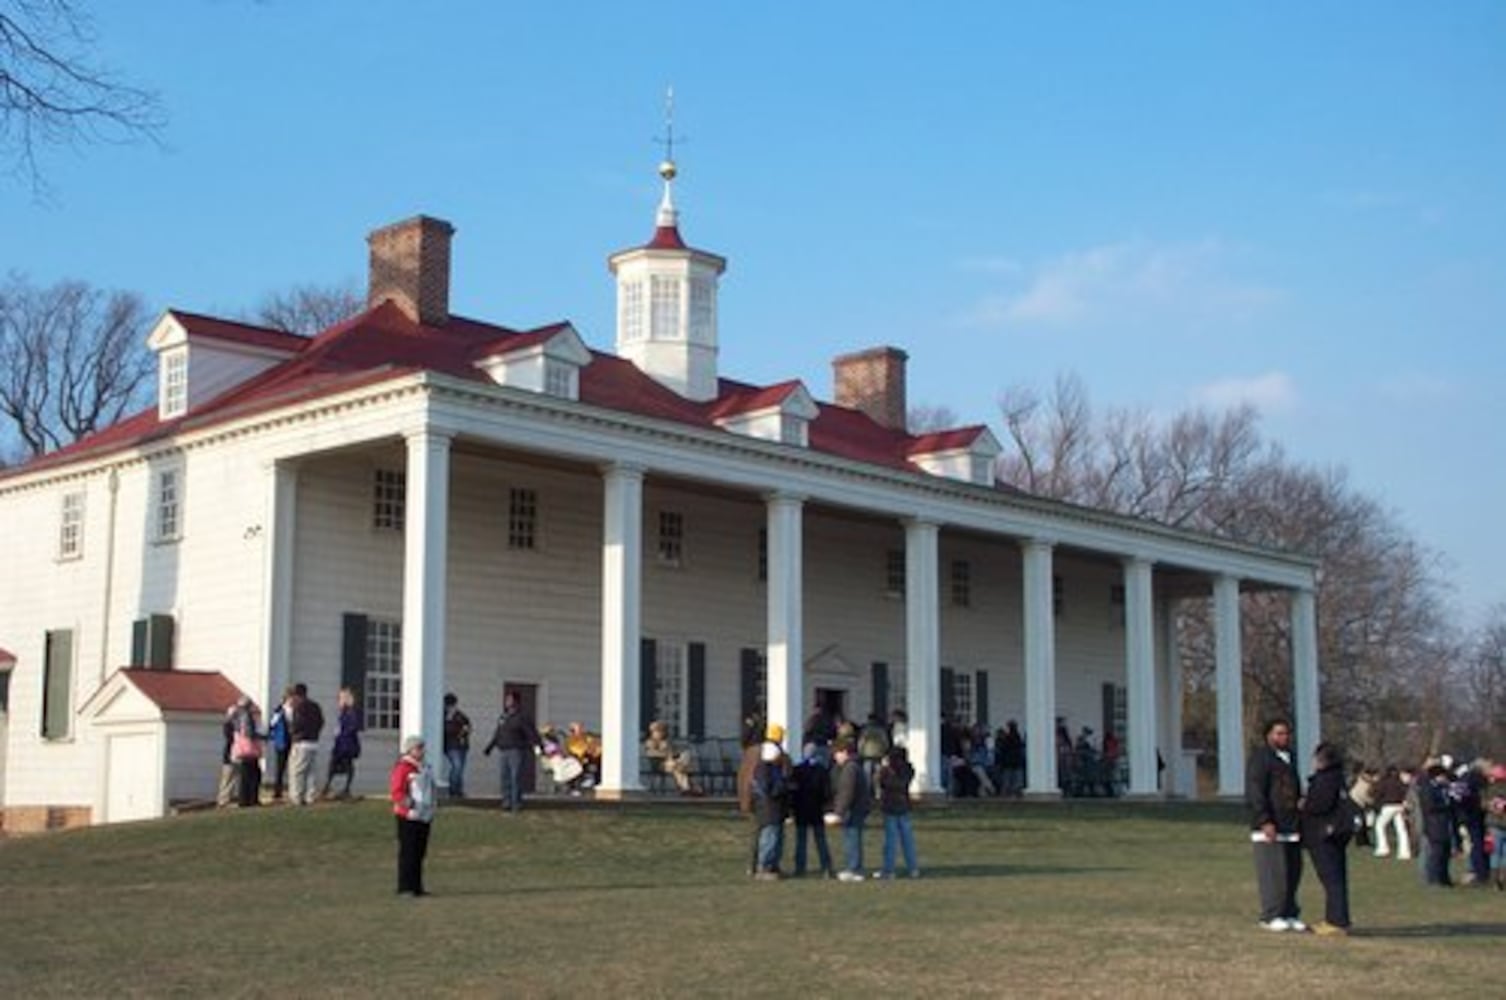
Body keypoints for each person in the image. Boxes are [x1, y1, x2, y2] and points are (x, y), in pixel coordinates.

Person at [1246, 717, 1305, 932]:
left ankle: (1290, 912)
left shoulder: (1290, 758)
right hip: (1270, 826)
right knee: (1273, 872)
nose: (1283, 737)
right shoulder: (1261, 759)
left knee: (1292, 871)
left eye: (1286, 733)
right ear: (1268, 735)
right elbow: (1255, 791)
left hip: (1291, 824)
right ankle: (1271, 914)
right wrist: (1264, 820)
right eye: (1279, 733)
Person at [1299, 742, 1353, 936]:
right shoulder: (1339, 778)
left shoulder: (1325, 780)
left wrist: (1304, 804)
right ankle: (1337, 918)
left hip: (1323, 834)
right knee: (1337, 878)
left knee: (1331, 879)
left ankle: (1336, 921)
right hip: (1337, 834)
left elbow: (1319, 805)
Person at [389, 735, 437, 897]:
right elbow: (396, 791)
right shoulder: (403, 768)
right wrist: (410, 804)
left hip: (424, 816)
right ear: (410, 750)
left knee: (419, 852)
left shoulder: (424, 767)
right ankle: (405, 887)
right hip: (408, 816)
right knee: (408, 852)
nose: (422, 751)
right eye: (418, 748)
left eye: (422, 747)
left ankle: (417, 886)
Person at [483, 691, 540, 812]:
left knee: (516, 777)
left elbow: (531, 733)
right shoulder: (503, 717)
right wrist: (490, 747)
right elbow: (497, 734)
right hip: (503, 750)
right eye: (506, 699)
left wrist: (537, 745)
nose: (507, 701)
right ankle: (506, 802)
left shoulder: (522, 717)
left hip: (516, 750)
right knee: (505, 777)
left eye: (509, 699)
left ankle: (516, 803)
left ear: (516, 701)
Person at [750, 723, 790, 880]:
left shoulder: (762, 764)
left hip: (770, 807)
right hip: (770, 807)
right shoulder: (768, 768)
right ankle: (764, 866)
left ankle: (771, 865)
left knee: (773, 837)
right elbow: (769, 788)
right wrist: (781, 788)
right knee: (769, 838)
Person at [790, 742, 834, 879]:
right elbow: (827, 792)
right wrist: (826, 806)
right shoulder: (822, 770)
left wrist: (791, 808)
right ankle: (826, 866)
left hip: (801, 809)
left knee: (801, 840)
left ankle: (800, 867)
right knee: (820, 840)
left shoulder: (797, 770)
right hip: (816, 809)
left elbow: (793, 791)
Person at [830, 738, 870, 882]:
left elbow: (847, 791)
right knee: (851, 838)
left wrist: (838, 812)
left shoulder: (850, 768)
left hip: (854, 809)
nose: (835, 757)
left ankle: (854, 869)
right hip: (858, 807)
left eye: (837, 753)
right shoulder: (853, 766)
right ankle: (853, 867)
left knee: (852, 838)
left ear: (845, 752)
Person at [877, 745, 919, 879]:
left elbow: (883, 783)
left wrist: (883, 769)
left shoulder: (888, 771)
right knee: (908, 839)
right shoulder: (908, 769)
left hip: (890, 806)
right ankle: (913, 868)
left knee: (891, 840)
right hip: (904, 805)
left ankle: (889, 870)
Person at [322, 686, 363, 800]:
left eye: (341, 698)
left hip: (346, 744)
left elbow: (353, 726)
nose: (339, 700)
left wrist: (342, 732)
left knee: (344, 765)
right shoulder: (345, 711)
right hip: (341, 743)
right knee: (337, 765)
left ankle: (344, 788)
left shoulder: (351, 711)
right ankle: (330, 787)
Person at [1418, 760, 1455, 887]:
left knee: (1445, 853)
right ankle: (1434, 879)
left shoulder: (1442, 788)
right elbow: (1429, 807)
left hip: (1443, 824)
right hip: (1434, 824)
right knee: (1436, 854)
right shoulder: (1428, 789)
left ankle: (1444, 878)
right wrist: (1445, 805)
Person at [287, 683, 324, 806]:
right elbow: (321, 722)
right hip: (313, 742)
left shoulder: (299, 707)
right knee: (311, 772)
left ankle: (297, 797)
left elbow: (297, 724)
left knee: (297, 771)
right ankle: (310, 796)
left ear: (298, 695)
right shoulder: (315, 706)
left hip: (301, 742)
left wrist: (292, 732)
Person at [643, 720, 701, 795]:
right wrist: (665, 754)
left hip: (672, 764)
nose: (661, 733)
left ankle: (686, 788)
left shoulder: (667, 741)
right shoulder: (650, 742)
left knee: (679, 767)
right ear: (653, 732)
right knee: (680, 767)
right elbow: (651, 753)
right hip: (659, 765)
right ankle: (693, 787)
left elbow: (673, 752)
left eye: (662, 731)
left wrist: (678, 754)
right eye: (658, 731)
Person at [1371, 765, 1412, 860]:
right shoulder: (1400, 783)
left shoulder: (1384, 782)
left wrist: (1376, 804)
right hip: (1399, 806)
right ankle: (1405, 852)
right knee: (1401, 830)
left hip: (1388, 806)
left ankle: (1383, 848)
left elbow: (1378, 794)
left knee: (1379, 826)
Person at [230, 696, 264, 807]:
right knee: (254, 775)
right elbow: (248, 732)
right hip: (248, 749)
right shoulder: (245, 715)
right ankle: (251, 799)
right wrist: (262, 736)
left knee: (245, 776)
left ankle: (244, 800)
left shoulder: (235, 715)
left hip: (240, 749)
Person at [266, 686, 295, 801]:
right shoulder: (279, 710)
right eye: (290, 697)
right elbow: (272, 726)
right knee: (280, 767)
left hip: (293, 740)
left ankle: (293, 790)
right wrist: (274, 737)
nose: (292, 700)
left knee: (293, 767)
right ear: (286, 698)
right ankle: (277, 792)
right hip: (282, 741)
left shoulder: (296, 710)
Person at [442, 693, 472, 798]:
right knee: (457, 767)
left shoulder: (460, 716)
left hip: (461, 746)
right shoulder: (443, 716)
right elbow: (446, 731)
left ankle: (458, 790)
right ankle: (453, 790)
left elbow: (467, 727)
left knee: (460, 769)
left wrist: (463, 732)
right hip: (451, 746)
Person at [1485, 762, 1506, 891]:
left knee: (1495, 854)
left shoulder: (1489, 790)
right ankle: (1503, 879)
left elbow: (1484, 805)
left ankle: (1495, 881)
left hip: (1494, 824)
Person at [217, 706, 240, 808]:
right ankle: (224, 800)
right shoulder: (228, 725)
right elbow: (230, 739)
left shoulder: (233, 724)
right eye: (234, 714)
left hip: (233, 753)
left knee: (230, 778)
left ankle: (225, 798)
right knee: (228, 777)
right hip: (229, 755)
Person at [997, 720, 1026, 797]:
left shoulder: (1008, 738)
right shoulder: (1017, 737)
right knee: (1015, 779)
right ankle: (1013, 791)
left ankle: (1008, 792)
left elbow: (1003, 748)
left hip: (1009, 761)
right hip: (1014, 761)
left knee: (1008, 779)